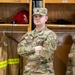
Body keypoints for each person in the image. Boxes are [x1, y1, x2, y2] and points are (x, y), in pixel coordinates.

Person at [17, 7, 57, 75]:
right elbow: (20, 50)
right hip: (28, 72)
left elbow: (45, 55)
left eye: (40, 16)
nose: (37, 18)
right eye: (35, 16)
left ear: (46, 18)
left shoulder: (50, 35)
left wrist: (27, 54)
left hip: (44, 72)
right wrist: (34, 49)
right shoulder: (28, 35)